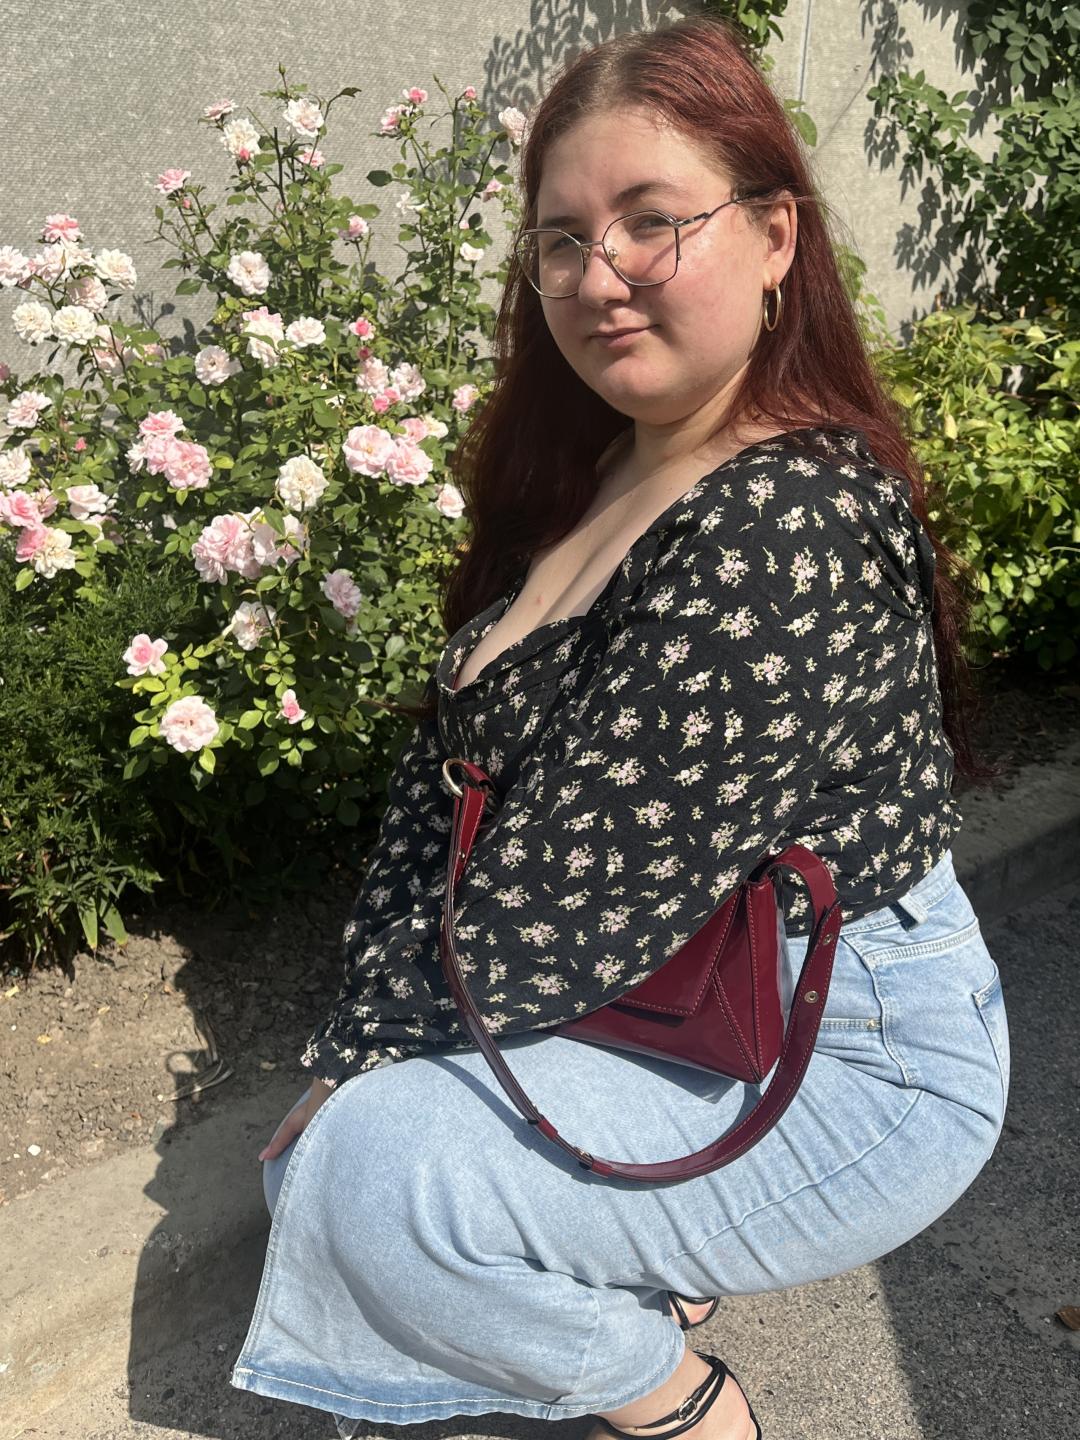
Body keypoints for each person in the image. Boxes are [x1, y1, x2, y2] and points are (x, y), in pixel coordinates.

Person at [229, 16, 1010, 1440]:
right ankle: (635, 1284)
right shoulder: (599, 467)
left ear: (774, 236)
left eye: (654, 222)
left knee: (371, 1177)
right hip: (657, 984)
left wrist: (377, 1062)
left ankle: (674, 1402)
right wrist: (358, 1044)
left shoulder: (788, 517)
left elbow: (564, 887)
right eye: (562, 242)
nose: (601, 278)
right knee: (321, 1173)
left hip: (845, 1047)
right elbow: (440, 793)